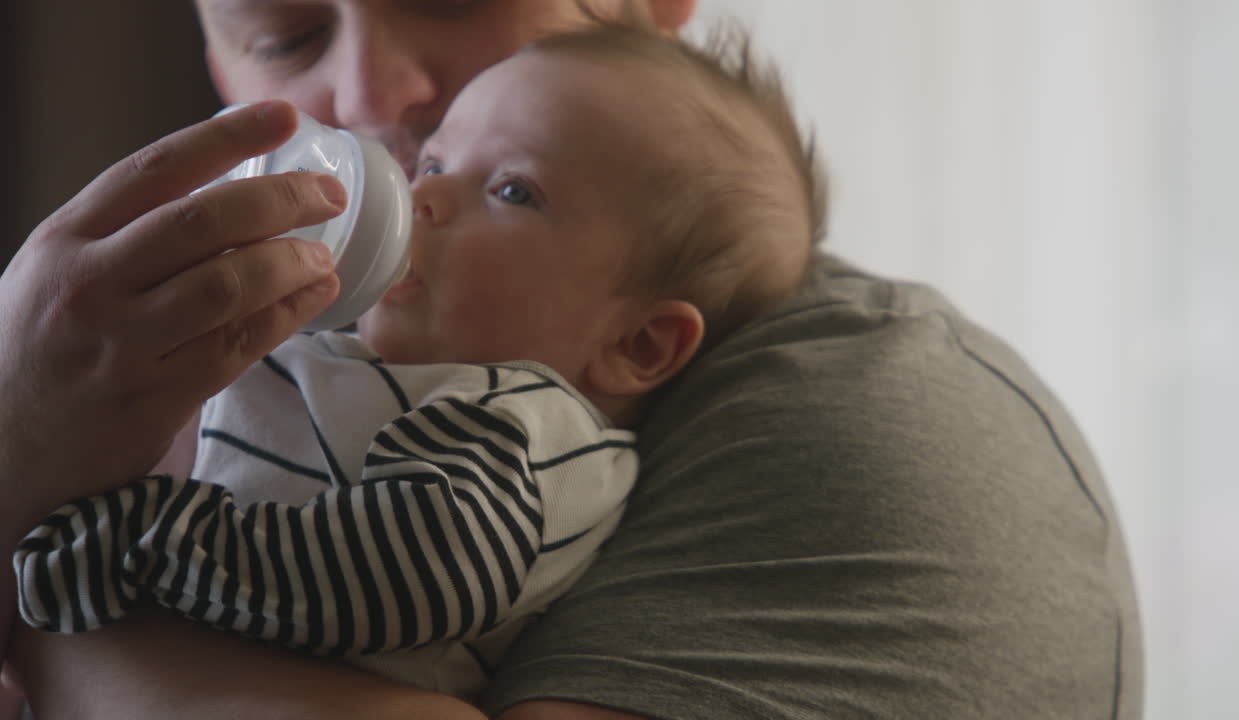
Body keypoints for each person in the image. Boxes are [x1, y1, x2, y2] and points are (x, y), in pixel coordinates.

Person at [0, 1, 1144, 719]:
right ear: (218, 66)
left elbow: (413, 562)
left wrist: (33, 516)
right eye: (286, 35)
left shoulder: (875, 427)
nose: (365, 97)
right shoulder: (164, 351)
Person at [10, 18, 819, 704]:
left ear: (636, 344)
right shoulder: (336, 353)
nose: (419, 195)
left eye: (513, 191)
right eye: (433, 164)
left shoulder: (523, 423)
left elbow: (416, 567)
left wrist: (144, 539)